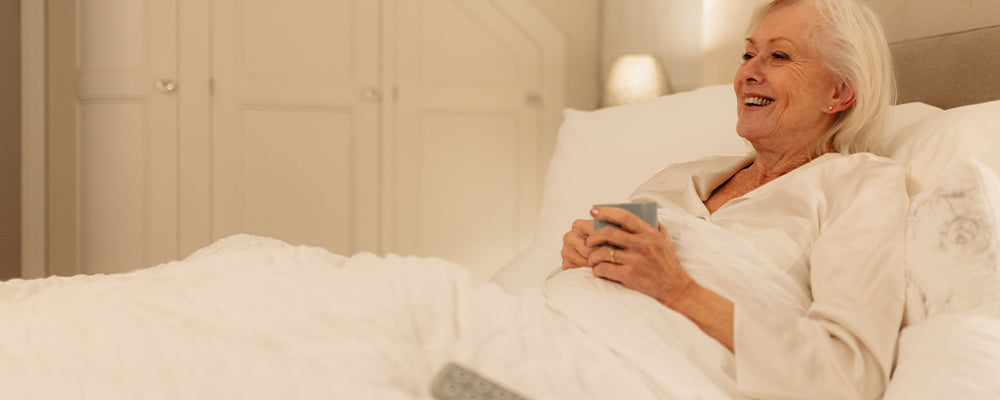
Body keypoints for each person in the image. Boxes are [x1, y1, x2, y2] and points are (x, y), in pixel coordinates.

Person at [560, 0, 905, 398]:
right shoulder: (677, 178)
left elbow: (849, 376)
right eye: (747, 54)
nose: (747, 74)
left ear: (839, 91)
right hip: (556, 332)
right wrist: (578, 261)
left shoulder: (859, 185)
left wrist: (677, 289)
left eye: (778, 55)